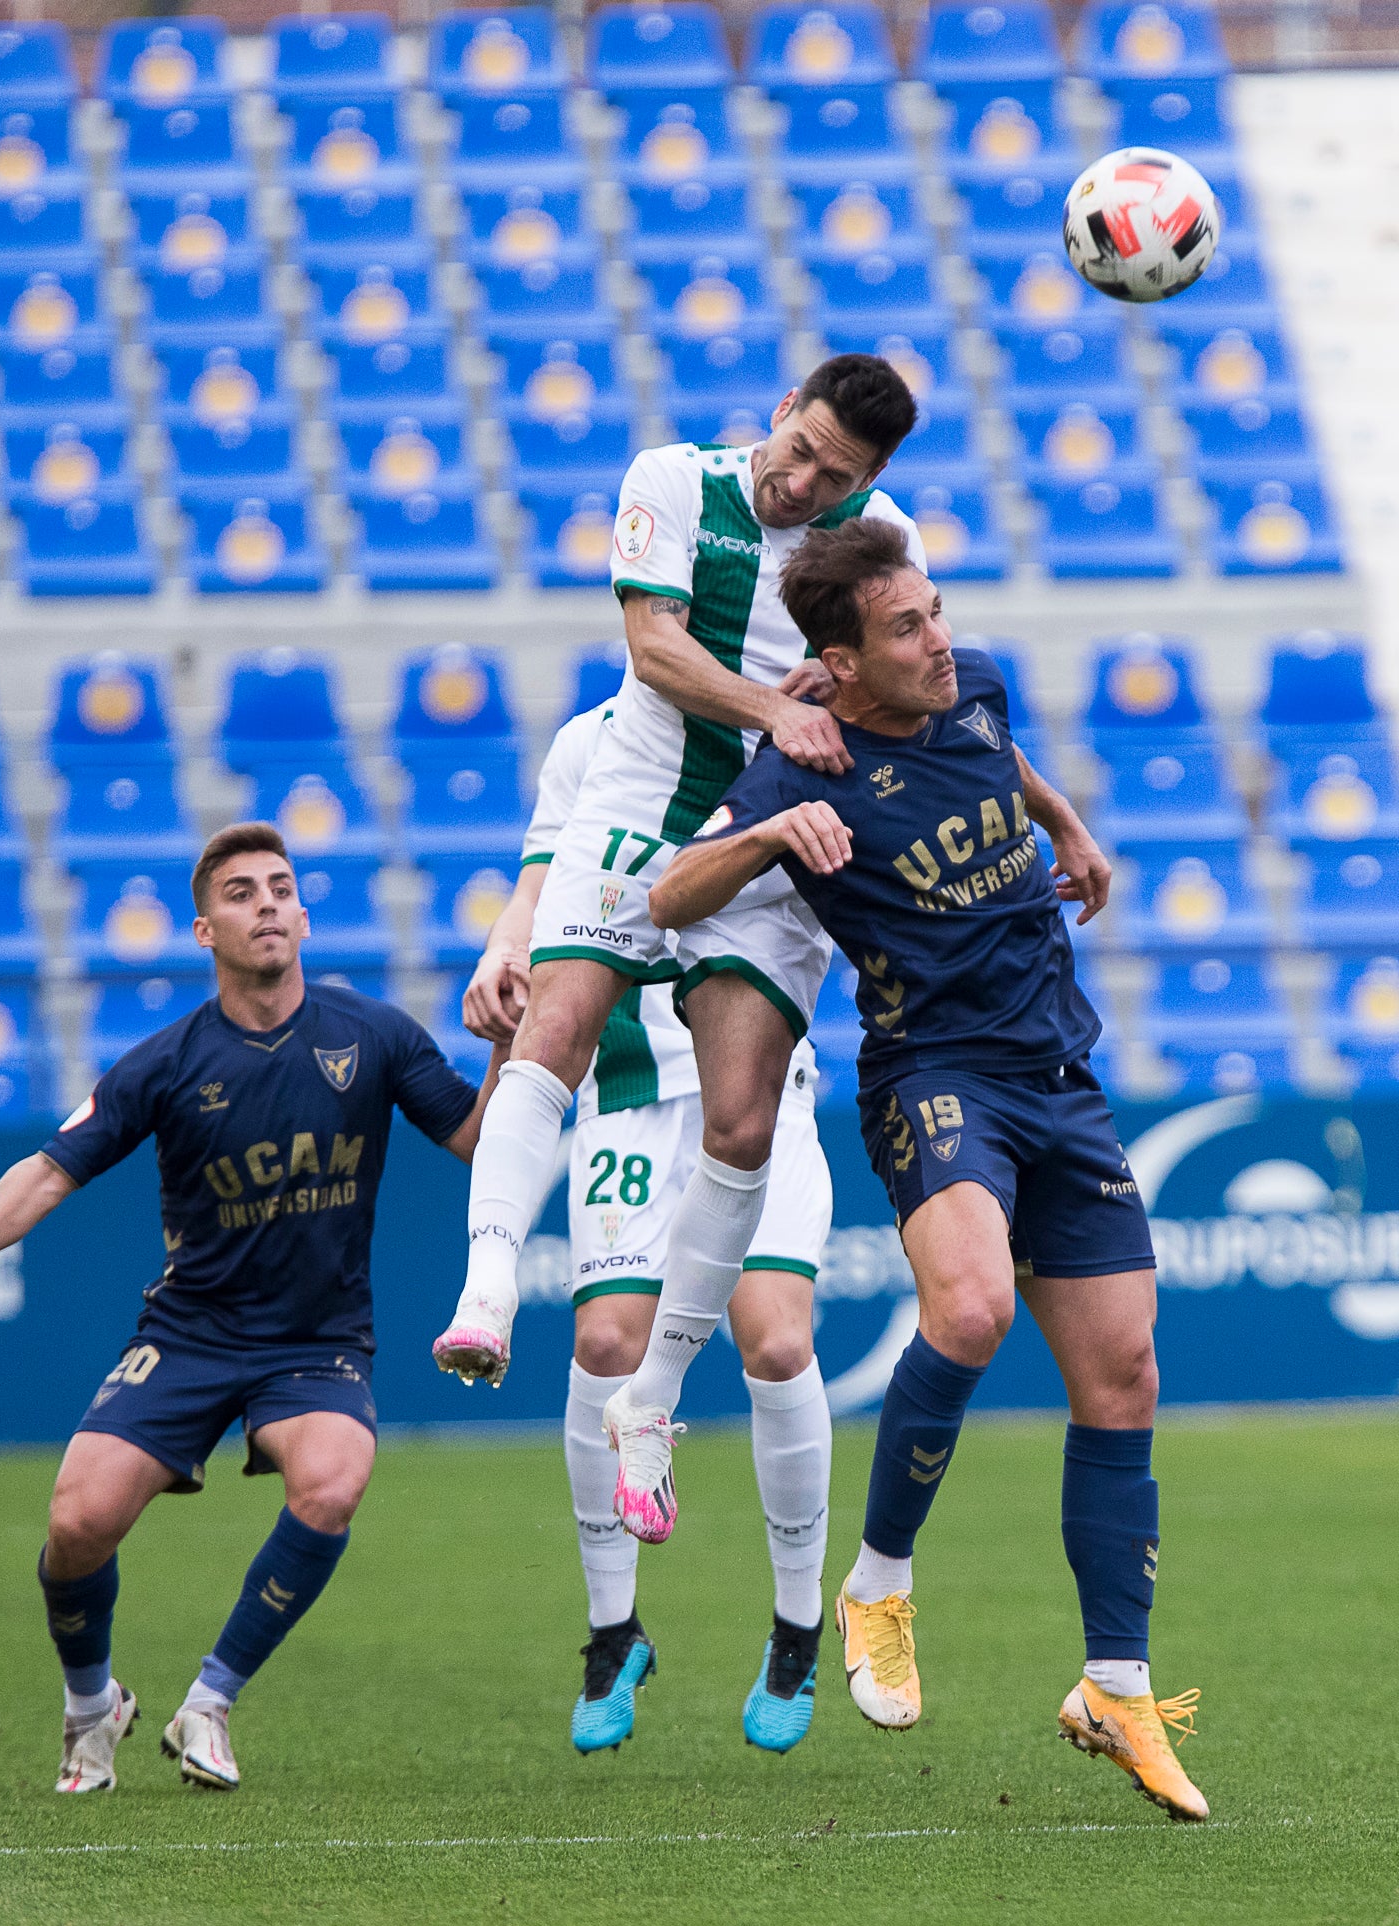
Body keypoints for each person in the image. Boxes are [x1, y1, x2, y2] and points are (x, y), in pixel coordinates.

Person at [436, 358, 1112, 1559]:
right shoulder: (670, 481)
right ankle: (486, 1290)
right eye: (796, 449)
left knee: (741, 1122)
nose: (803, 481)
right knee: (560, 1016)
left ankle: (650, 1398)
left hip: (785, 840)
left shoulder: (884, 539)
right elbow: (651, 649)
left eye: (836, 474)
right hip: (655, 792)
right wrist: (775, 710)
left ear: (875, 481)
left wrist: (1056, 814)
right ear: (777, 413)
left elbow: (949, 709)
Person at [649, 519, 1207, 1821]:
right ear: (837, 664)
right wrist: (774, 832)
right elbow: (673, 894)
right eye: (907, 629)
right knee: (969, 1310)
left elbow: (1002, 760)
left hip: (1060, 1074)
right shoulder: (815, 762)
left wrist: (1069, 828)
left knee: (1124, 1374)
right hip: (936, 1074)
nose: (939, 638)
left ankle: (1114, 1689)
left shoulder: (977, 690)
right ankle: (880, 1581)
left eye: (938, 611)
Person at [0, 822, 486, 1791]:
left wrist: (512, 1045)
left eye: (280, 888)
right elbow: (50, 1170)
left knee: (333, 1481)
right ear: (205, 929)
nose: (266, 906)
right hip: (190, 1333)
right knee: (78, 1520)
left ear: (303, 912)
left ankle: (209, 1702)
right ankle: (93, 1708)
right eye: (242, 893)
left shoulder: (371, 1035)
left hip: (316, 1339)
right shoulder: (165, 1064)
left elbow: (481, 1139)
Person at [458, 700, 842, 1755]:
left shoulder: (801, 729)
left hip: (757, 1078)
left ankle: (799, 1624)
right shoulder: (592, 739)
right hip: (628, 1080)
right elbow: (540, 876)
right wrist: (505, 946)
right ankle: (612, 1630)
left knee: (775, 1337)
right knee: (600, 1342)